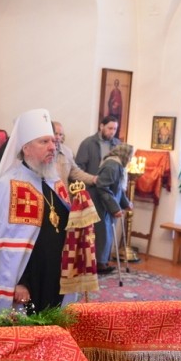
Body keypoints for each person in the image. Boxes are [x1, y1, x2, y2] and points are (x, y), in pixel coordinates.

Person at [0, 108, 72, 313]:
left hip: (56, 276)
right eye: (44, 142)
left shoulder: (55, 183)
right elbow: (3, 244)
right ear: (26, 148)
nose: (52, 147)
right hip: (28, 283)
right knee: (29, 327)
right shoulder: (9, 185)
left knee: (54, 325)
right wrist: (18, 282)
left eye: (53, 141)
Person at [75, 115, 122, 273]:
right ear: (101, 126)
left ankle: (104, 260)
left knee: (109, 227)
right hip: (93, 190)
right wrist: (91, 180)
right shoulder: (88, 143)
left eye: (115, 129)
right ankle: (95, 262)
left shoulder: (117, 145)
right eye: (109, 128)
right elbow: (78, 167)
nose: (112, 132)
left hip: (110, 192)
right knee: (98, 229)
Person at [95, 144, 134, 241]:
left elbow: (118, 188)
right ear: (124, 155)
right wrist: (115, 209)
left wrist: (126, 204)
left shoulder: (118, 166)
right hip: (103, 208)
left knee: (107, 241)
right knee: (103, 241)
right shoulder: (111, 166)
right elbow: (102, 187)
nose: (130, 160)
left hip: (109, 208)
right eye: (130, 156)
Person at [53, 120, 96, 192]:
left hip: (62, 195)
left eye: (60, 135)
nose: (58, 137)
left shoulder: (68, 152)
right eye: (55, 134)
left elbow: (75, 172)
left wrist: (93, 179)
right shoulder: (41, 151)